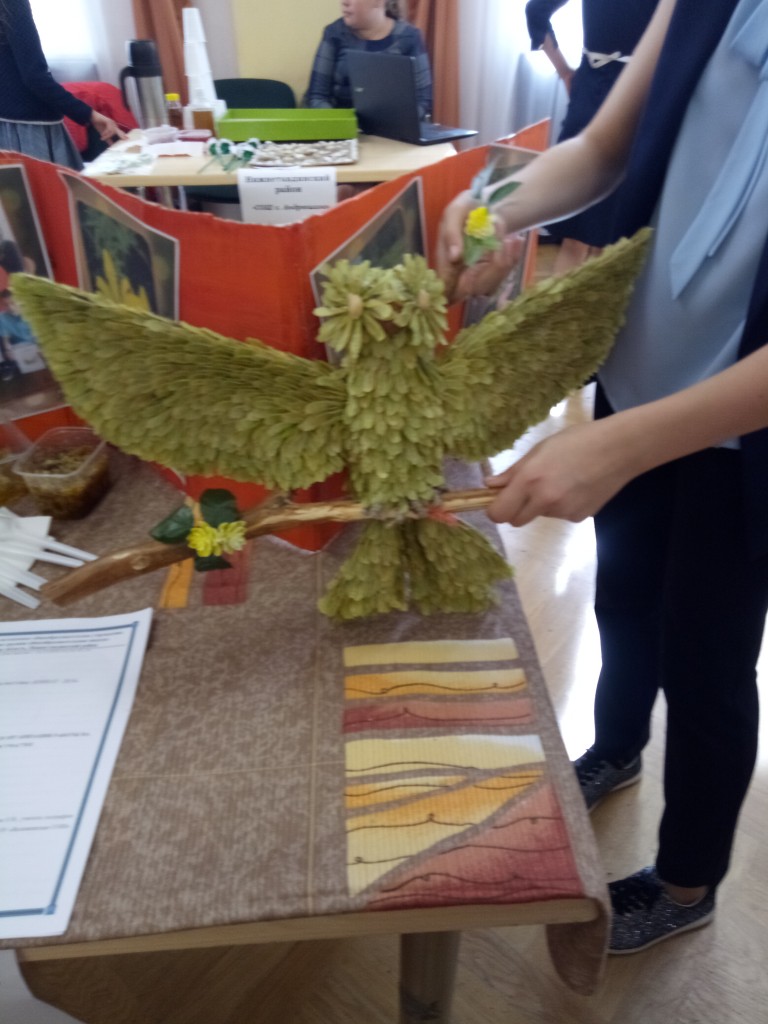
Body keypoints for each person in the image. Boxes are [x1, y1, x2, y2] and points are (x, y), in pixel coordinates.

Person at [438, 0, 768, 955]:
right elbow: (602, 148)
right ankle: (616, 747)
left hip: (744, 438)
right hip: (642, 373)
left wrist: (618, 449)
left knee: (709, 665)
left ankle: (687, 881)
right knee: (623, 596)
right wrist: (496, 203)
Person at [525, 0, 659, 273]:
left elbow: (535, 10)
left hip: (592, 85)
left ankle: (561, 301)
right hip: (641, 94)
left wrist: (565, 72)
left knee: (576, 237)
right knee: (610, 237)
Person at [0, 0, 125, 171]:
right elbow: (35, 78)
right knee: (47, 188)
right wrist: (89, 114)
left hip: (8, 130)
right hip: (29, 132)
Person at [305, 0, 432, 119]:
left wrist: (400, 123)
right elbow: (317, 96)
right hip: (341, 127)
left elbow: (423, 100)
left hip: (395, 129)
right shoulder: (334, 33)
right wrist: (342, 125)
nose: (344, 2)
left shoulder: (409, 37)